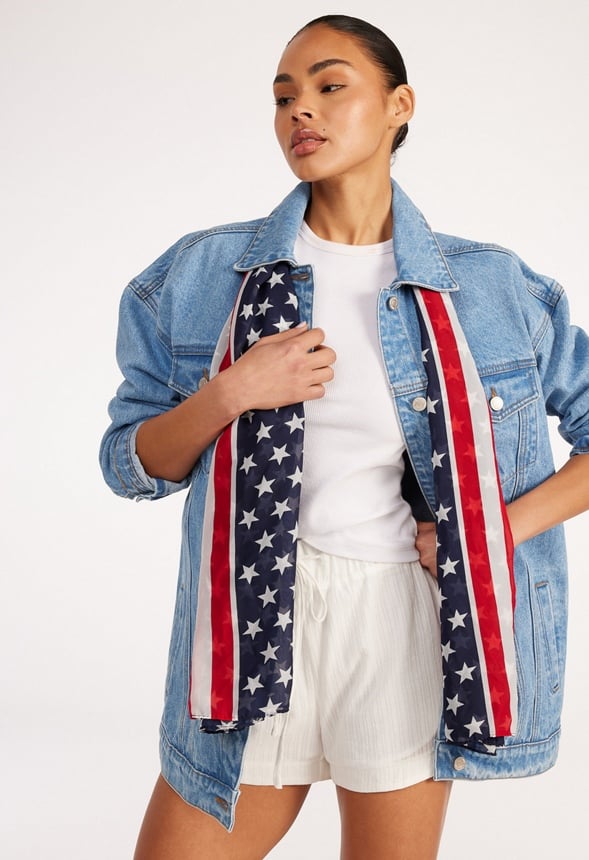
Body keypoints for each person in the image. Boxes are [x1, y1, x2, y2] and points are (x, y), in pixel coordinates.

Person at [100, 14, 589, 860]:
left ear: (400, 105)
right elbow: (129, 464)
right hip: (249, 616)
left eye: (330, 86)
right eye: (283, 96)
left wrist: (491, 532)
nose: (300, 110)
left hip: (400, 618)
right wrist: (231, 392)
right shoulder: (202, 274)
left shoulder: (491, 287)